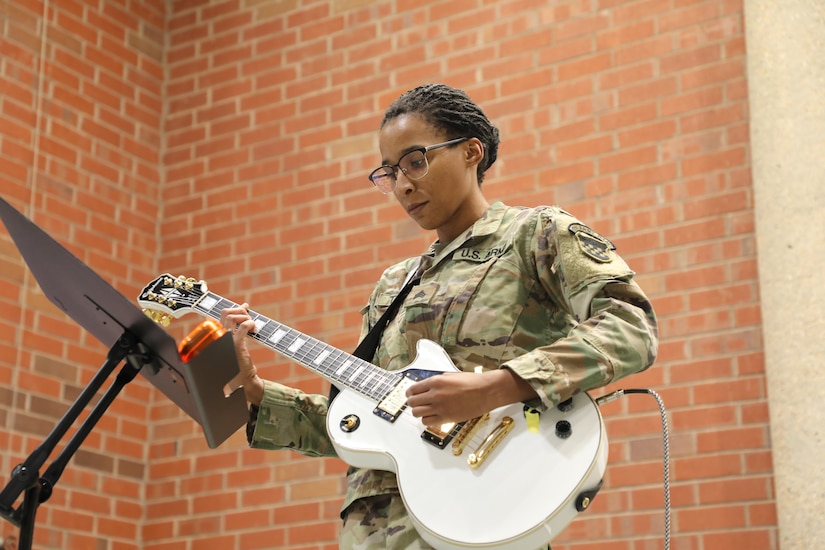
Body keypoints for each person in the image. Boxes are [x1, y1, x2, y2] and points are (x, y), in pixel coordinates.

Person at [221, 83, 659, 549]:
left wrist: (498, 386)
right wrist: (258, 395)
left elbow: (632, 328)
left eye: (416, 160)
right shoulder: (393, 285)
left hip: (488, 514)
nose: (404, 184)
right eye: (390, 172)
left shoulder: (534, 235)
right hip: (376, 532)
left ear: (472, 151)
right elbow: (374, 425)